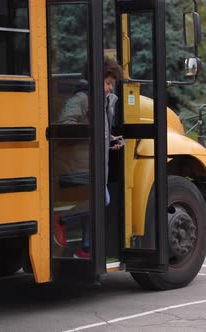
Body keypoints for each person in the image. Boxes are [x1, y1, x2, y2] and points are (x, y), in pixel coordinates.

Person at [55, 56, 124, 258]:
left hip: (94, 162)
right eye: (108, 83)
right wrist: (91, 134)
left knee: (94, 202)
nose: (111, 88)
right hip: (80, 164)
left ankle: (85, 249)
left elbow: (98, 130)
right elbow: (65, 123)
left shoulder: (100, 101)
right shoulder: (82, 98)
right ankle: (62, 219)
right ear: (96, 79)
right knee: (102, 200)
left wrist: (110, 139)